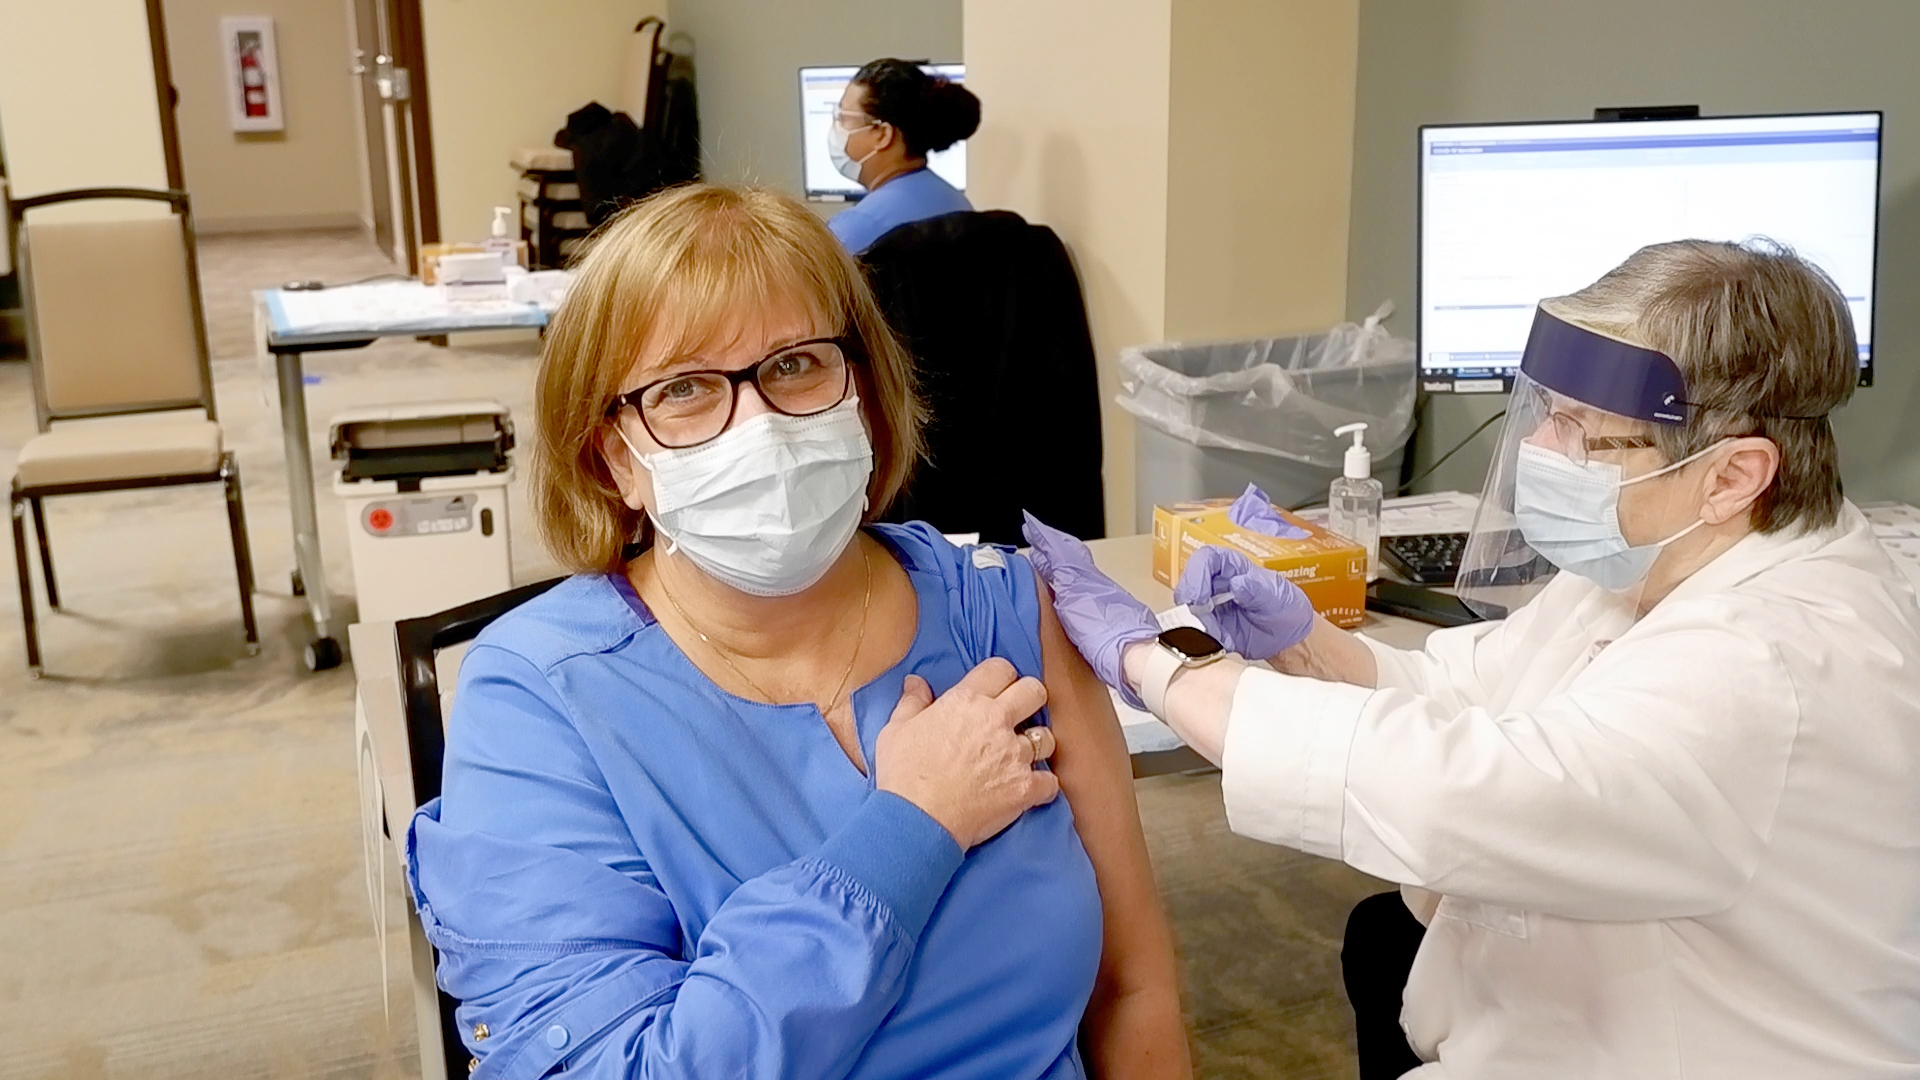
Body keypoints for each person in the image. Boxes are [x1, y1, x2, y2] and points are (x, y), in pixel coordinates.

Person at [1025, 239, 1920, 1078]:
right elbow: (1477, 689)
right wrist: (1305, 638)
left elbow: (1459, 786)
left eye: (1581, 430)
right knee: (1385, 942)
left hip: (1706, 1051)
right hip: (1567, 1003)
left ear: (1732, 475)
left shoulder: (1773, 665)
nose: (1540, 450)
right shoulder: (1664, 555)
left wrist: (1159, 659)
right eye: (1543, 414)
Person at [406, 184, 1190, 1078]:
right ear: (618, 457)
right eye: (687, 388)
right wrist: (910, 825)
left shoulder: (1002, 611)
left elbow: (1133, 990)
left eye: (795, 366)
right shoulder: (544, 695)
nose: (763, 428)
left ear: (863, 386)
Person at [826, 58, 978, 253]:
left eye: (843, 118)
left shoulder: (854, 229)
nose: (837, 128)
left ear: (882, 134)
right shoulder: (958, 203)